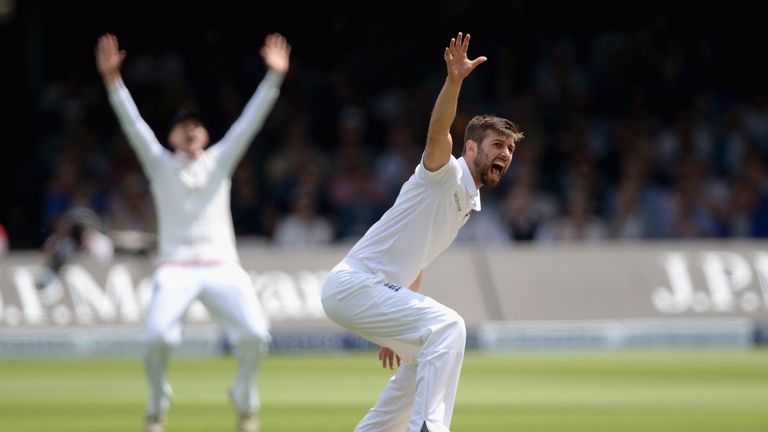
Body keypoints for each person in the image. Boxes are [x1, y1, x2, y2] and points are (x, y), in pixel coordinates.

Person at [321, 32, 524, 432]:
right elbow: (437, 133)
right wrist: (454, 81)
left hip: (372, 291)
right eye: (497, 144)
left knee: (421, 360)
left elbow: (415, 261)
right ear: (470, 149)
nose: (504, 154)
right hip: (354, 285)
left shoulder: (466, 201)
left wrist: (395, 325)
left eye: (510, 150)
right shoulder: (444, 175)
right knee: (449, 327)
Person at [95, 32, 290, 432]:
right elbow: (133, 125)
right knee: (156, 339)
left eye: (197, 126)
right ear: (170, 137)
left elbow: (249, 123)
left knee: (255, 335)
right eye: (183, 126)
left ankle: (244, 399)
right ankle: (157, 405)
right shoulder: (160, 165)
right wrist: (113, 81)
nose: (190, 131)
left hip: (222, 266)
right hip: (175, 267)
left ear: (206, 135)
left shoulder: (220, 161)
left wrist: (274, 78)